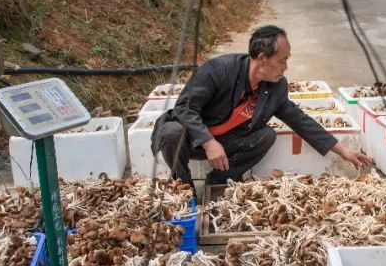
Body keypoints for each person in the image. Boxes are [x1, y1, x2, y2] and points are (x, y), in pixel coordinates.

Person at [151, 25, 374, 190]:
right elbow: (183, 109)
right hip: (194, 140)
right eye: (282, 60)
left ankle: (218, 182)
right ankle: (183, 185)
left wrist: (343, 150)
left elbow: (298, 118)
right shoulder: (218, 70)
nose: (286, 67)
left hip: (227, 141)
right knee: (171, 132)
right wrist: (208, 142)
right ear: (262, 59)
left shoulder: (275, 86)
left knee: (266, 135)